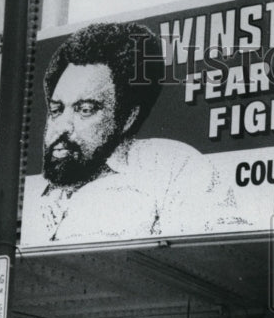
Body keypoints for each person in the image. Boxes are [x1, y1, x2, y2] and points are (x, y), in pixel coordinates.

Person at [20, 20, 240, 247]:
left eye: (84, 110)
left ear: (128, 118)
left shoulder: (172, 168)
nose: (62, 126)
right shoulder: (32, 195)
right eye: (56, 110)